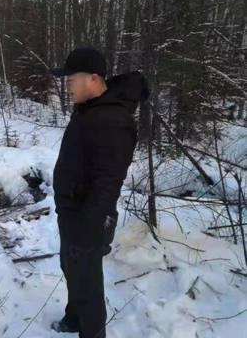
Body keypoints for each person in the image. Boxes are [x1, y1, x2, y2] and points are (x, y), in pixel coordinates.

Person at [51, 47, 149, 337]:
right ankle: (74, 318)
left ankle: (91, 331)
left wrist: (87, 226)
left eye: (71, 78)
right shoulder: (92, 109)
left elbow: (108, 183)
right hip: (73, 212)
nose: (67, 85)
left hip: (88, 218)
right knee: (71, 268)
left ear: (93, 78)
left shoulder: (113, 120)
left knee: (88, 284)